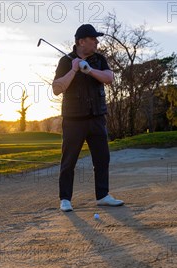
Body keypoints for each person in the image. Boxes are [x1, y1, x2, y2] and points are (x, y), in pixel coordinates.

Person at [52, 24, 124, 212]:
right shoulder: (66, 61)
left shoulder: (99, 59)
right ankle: (65, 199)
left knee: (102, 159)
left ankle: (103, 196)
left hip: (97, 117)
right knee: (69, 161)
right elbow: (57, 89)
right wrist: (75, 70)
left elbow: (109, 78)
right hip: (74, 120)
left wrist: (89, 70)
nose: (97, 42)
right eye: (93, 39)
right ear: (81, 41)